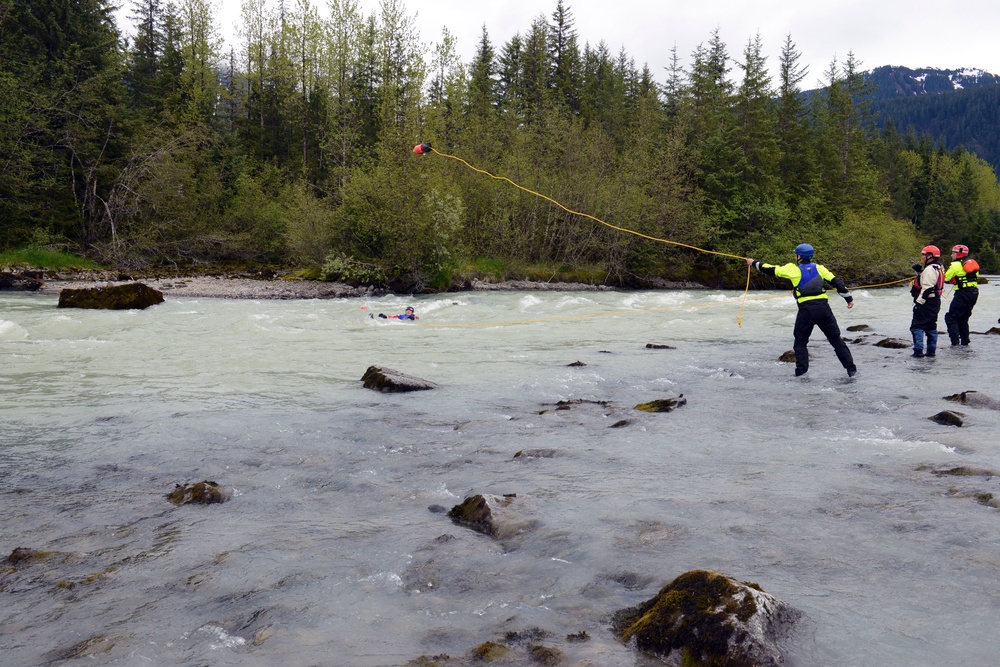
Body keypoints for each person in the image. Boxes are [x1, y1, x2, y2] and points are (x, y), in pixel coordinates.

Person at [747, 243, 857, 377]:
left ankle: (801, 373)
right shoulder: (820, 268)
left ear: (799, 256)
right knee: (836, 340)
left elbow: (770, 269)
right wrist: (849, 299)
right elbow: (837, 283)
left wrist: (753, 263)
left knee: (800, 342)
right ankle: (851, 371)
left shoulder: (792, 269)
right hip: (824, 310)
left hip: (806, 312)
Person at [909, 245, 945, 357]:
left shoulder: (930, 269)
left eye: (924, 255)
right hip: (935, 301)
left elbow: (928, 288)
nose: (922, 257)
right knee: (931, 325)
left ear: (930, 256)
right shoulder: (939, 267)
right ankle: (931, 351)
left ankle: (918, 351)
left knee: (917, 326)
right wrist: (920, 272)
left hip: (927, 302)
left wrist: (919, 303)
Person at [943, 244, 979, 346]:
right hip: (974, 293)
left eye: (953, 253)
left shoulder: (955, 265)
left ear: (958, 254)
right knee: (963, 318)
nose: (951, 255)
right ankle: (965, 342)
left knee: (951, 317)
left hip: (963, 293)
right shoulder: (971, 263)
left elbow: (945, 278)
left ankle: (954, 343)